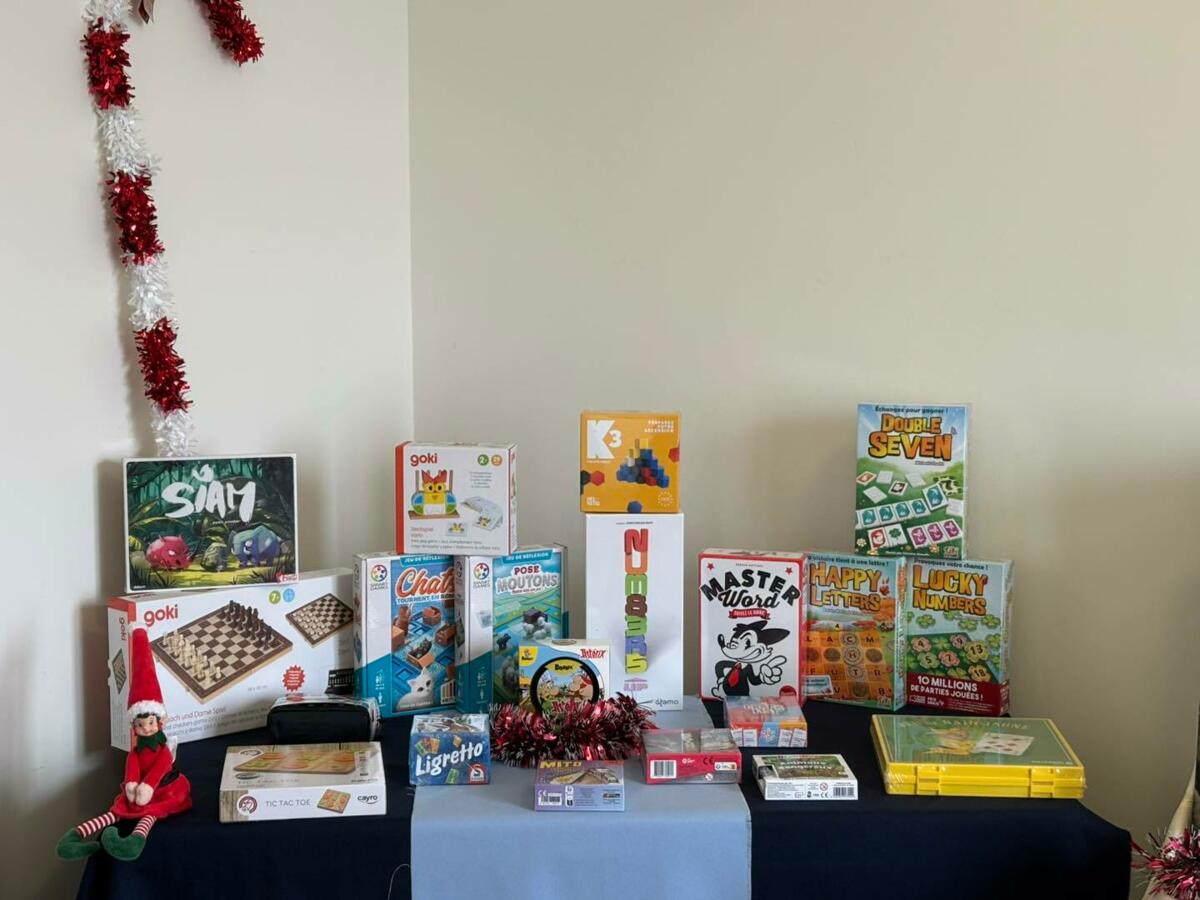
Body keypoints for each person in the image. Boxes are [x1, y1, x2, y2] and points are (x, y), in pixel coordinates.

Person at [56, 628, 191, 862]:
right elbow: (132, 767)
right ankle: (75, 836)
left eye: (150, 723)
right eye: (141, 725)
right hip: (138, 790)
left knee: (149, 814)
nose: (146, 728)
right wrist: (131, 785)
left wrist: (146, 787)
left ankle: (134, 842)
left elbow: (160, 768)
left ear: (159, 722)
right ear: (134, 726)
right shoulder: (136, 751)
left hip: (161, 789)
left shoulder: (164, 749)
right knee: (117, 810)